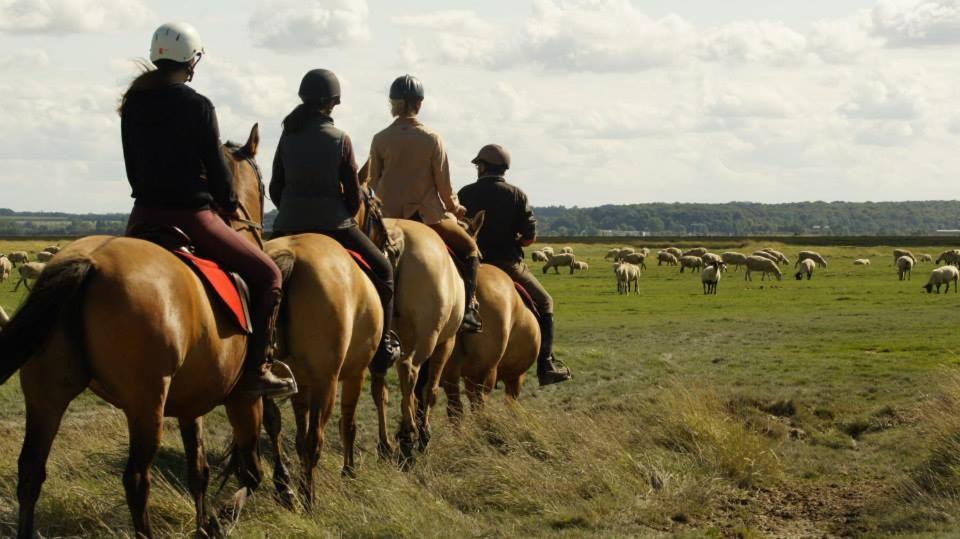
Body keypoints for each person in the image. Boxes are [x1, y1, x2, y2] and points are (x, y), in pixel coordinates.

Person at [120, 22, 296, 398]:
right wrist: (228, 200)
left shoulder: (133, 102)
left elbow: (132, 168)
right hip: (191, 217)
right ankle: (257, 371)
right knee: (268, 277)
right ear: (193, 60)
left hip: (142, 217)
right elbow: (218, 172)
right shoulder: (198, 105)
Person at [269, 68, 402, 373]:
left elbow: (276, 187)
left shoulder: (287, 136)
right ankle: (382, 347)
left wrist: (293, 211)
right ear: (332, 102)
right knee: (383, 270)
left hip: (286, 225)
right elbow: (355, 198)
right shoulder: (340, 139)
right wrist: (338, 211)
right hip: (334, 226)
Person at [367, 75, 483, 333]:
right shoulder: (432, 138)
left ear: (393, 104)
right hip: (426, 216)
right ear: (419, 104)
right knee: (471, 250)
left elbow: (372, 181)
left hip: (386, 220)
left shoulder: (380, 139)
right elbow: (444, 186)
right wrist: (455, 209)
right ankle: (469, 311)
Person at [457, 144, 572, 386]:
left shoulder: (465, 192)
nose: (477, 168)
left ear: (484, 167)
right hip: (508, 264)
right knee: (545, 302)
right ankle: (546, 364)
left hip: (469, 264)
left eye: (479, 165)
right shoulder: (516, 194)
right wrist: (519, 239)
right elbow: (530, 237)